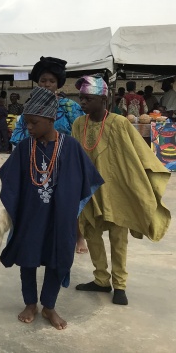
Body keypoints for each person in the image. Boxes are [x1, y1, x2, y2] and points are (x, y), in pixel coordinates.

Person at [0, 86, 103, 330]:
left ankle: (49, 306)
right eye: (27, 123)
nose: (29, 128)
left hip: (59, 217)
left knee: (58, 259)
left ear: (50, 119)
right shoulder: (25, 148)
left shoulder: (71, 146)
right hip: (30, 216)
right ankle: (30, 303)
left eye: (34, 123)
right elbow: (10, 179)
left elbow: (87, 180)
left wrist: (69, 204)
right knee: (28, 259)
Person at [71, 75, 171, 305]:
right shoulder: (78, 124)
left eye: (87, 98)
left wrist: (145, 180)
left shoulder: (119, 123)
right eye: (81, 98)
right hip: (89, 190)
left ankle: (120, 285)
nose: (82, 102)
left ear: (103, 99)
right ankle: (101, 279)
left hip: (117, 190)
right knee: (91, 232)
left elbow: (138, 153)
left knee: (118, 237)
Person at [10, 57, 87, 253]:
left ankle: (78, 236)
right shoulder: (29, 107)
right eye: (43, 80)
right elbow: (19, 135)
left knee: (69, 201)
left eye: (51, 81)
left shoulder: (69, 106)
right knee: (36, 202)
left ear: (58, 83)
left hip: (63, 160)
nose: (47, 84)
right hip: (35, 160)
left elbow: (81, 132)